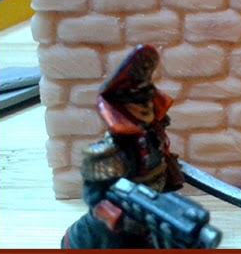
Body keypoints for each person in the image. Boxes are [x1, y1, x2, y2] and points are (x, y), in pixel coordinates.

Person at [61, 44, 185, 249]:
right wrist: (121, 218)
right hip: (122, 216)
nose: (145, 108)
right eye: (137, 102)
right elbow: (94, 196)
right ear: (122, 107)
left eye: (146, 100)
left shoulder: (154, 135)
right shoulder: (106, 153)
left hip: (155, 203)